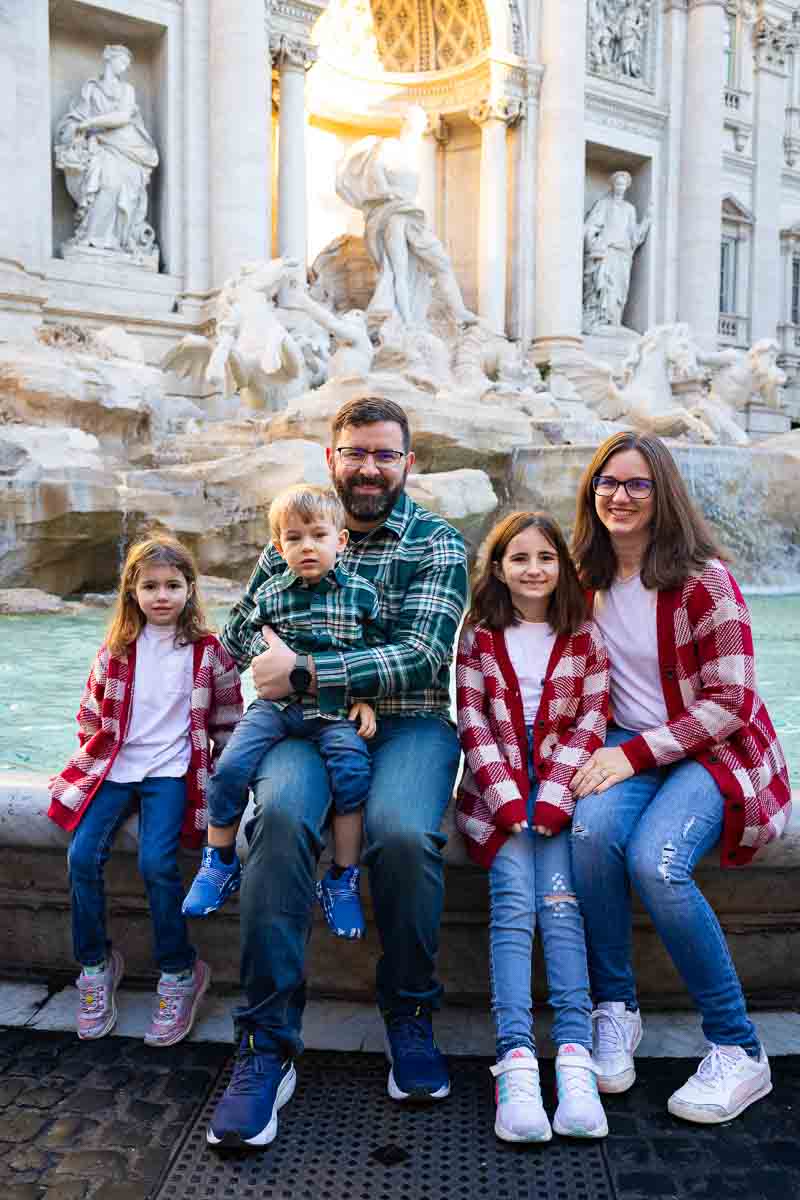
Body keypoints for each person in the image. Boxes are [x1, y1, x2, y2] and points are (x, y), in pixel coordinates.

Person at [206, 395, 468, 1149]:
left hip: (409, 721)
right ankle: (264, 1043)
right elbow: (244, 636)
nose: (369, 466)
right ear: (332, 457)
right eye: (355, 451)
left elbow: (422, 654)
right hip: (308, 723)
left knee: (402, 833)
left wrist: (310, 670)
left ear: (407, 463)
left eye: (385, 454)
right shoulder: (292, 533)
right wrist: (280, 670)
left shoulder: (437, 542)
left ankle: (410, 1015)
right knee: (280, 821)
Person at [569, 432, 791, 1123]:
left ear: (663, 493)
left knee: (657, 862)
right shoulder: (586, 576)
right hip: (625, 744)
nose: (620, 496)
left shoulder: (705, 580)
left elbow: (731, 702)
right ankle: (616, 1009)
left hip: (710, 749)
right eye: (608, 482)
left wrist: (632, 756)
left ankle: (738, 1048)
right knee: (589, 833)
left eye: (637, 484)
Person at [48, 535, 243, 1045]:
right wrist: (92, 753)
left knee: (157, 862)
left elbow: (228, 720)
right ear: (131, 591)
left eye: (172, 585)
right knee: (82, 856)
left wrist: (218, 774)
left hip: (172, 771)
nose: (161, 596)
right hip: (116, 767)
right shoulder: (116, 649)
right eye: (150, 586)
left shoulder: (209, 651)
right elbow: (90, 712)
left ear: (189, 589)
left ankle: (180, 971)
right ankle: (95, 964)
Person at [456, 512, 610, 1143]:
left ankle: (575, 1058)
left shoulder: (585, 635)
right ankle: (516, 1060)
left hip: (560, 787)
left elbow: (592, 721)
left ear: (563, 567)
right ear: (497, 568)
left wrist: (552, 797)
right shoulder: (479, 634)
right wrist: (506, 799)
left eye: (545, 557)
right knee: (515, 901)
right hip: (496, 790)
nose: (533, 570)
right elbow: (472, 723)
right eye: (519, 558)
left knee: (561, 904)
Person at [182, 484, 381, 940]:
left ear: (341, 541)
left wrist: (365, 696)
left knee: (352, 775)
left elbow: (376, 651)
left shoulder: (362, 596)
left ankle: (341, 879)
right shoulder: (270, 594)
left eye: (317, 535)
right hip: (276, 707)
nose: (306, 546)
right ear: (278, 547)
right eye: (293, 538)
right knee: (230, 765)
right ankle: (220, 860)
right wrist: (267, 657)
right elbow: (241, 639)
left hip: (332, 709)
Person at [335, 106, 476, 327]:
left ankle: (459, 310)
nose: (420, 125)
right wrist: (387, 192)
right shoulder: (390, 146)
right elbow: (375, 171)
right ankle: (408, 322)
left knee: (441, 262)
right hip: (392, 215)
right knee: (397, 271)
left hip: (411, 216)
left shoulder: (414, 153)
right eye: (416, 119)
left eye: (422, 121)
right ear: (405, 120)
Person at [54, 45, 159, 258]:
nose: (124, 67)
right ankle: (93, 238)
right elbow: (76, 118)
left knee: (123, 182)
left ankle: (116, 239)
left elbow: (122, 117)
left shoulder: (127, 89)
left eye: (127, 65)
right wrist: (77, 129)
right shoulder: (92, 89)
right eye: (121, 62)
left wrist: (90, 124)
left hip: (124, 144)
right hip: (98, 146)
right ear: (109, 59)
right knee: (107, 182)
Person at [582, 171, 651, 332]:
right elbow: (591, 226)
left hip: (622, 254)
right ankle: (598, 319)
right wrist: (594, 243)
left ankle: (613, 320)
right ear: (613, 185)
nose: (620, 187)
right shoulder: (604, 204)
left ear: (626, 187)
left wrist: (647, 220)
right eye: (618, 184)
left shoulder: (630, 209)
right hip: (606, 251)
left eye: (623, 184)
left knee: (617, 291)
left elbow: (634, 237)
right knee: (601, 286)